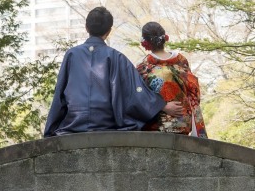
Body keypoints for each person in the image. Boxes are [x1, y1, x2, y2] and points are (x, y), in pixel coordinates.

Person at [44, 7, 183, 136]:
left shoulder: (71, 55)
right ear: (109, 31)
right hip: (106, 124)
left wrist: (50, 129)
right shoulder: (117, 57)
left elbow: (59, 93)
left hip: (73, 123)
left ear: (86, 27)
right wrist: (162, 106)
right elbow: (136, 90)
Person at [136, 21, 208, 137]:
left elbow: (139, 96)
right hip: (183, 123)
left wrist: (162, 106)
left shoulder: (143, 66)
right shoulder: (181, 61)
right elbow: (193, 90)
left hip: (156, 127)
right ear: (165, 38)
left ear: (145, 43)